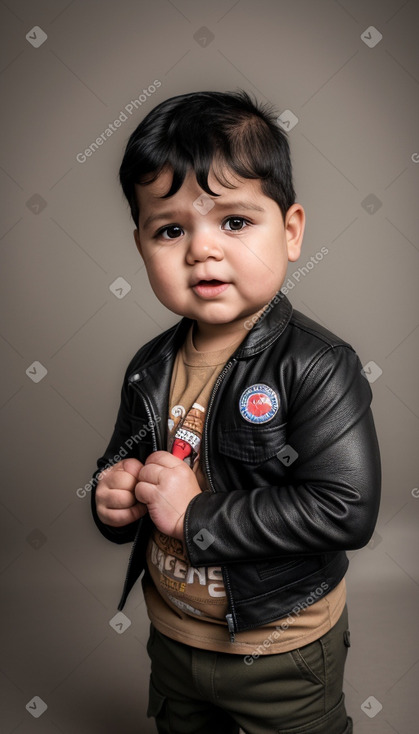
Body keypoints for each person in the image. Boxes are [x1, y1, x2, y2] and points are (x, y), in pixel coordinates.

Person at [90, 90, 381, 734]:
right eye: (170, 229)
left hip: (280, 645)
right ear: (141, 245)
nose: (202, 250)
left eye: (235, 222)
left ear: (292, 230)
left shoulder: (317, 364)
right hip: (174, 635)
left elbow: (346, 507)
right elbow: (124, 463)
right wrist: (112, 496)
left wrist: (196, 514)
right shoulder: (150, 365)